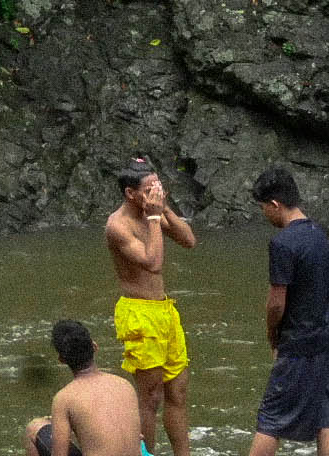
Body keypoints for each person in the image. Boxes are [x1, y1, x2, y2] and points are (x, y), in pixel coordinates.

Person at [105, 157, 198, 456]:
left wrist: (164, 209)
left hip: (165, 311)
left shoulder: (154, 210)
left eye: (159, 186)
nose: (156, 192)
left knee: (178, 391)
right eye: (149, 188)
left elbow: (189, 240)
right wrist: (155, 219)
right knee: (151, 397)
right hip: (139, 313)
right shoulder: (117, 226)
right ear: (131, 193)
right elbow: (153, 263)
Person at [248, 165, 329, 456]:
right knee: (327, 415)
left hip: (299, 340)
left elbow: (277, 301)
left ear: (275, 204)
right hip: (326, 333)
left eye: (264, 208)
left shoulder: (283, 243)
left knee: (271, 418)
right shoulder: (318, 233)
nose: (264, 214)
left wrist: (272, 334)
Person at [23, 318, 148, 456]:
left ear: (61, 359)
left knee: (34, 427)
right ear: (94, 346)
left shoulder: (64, 399)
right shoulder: (124, 385)